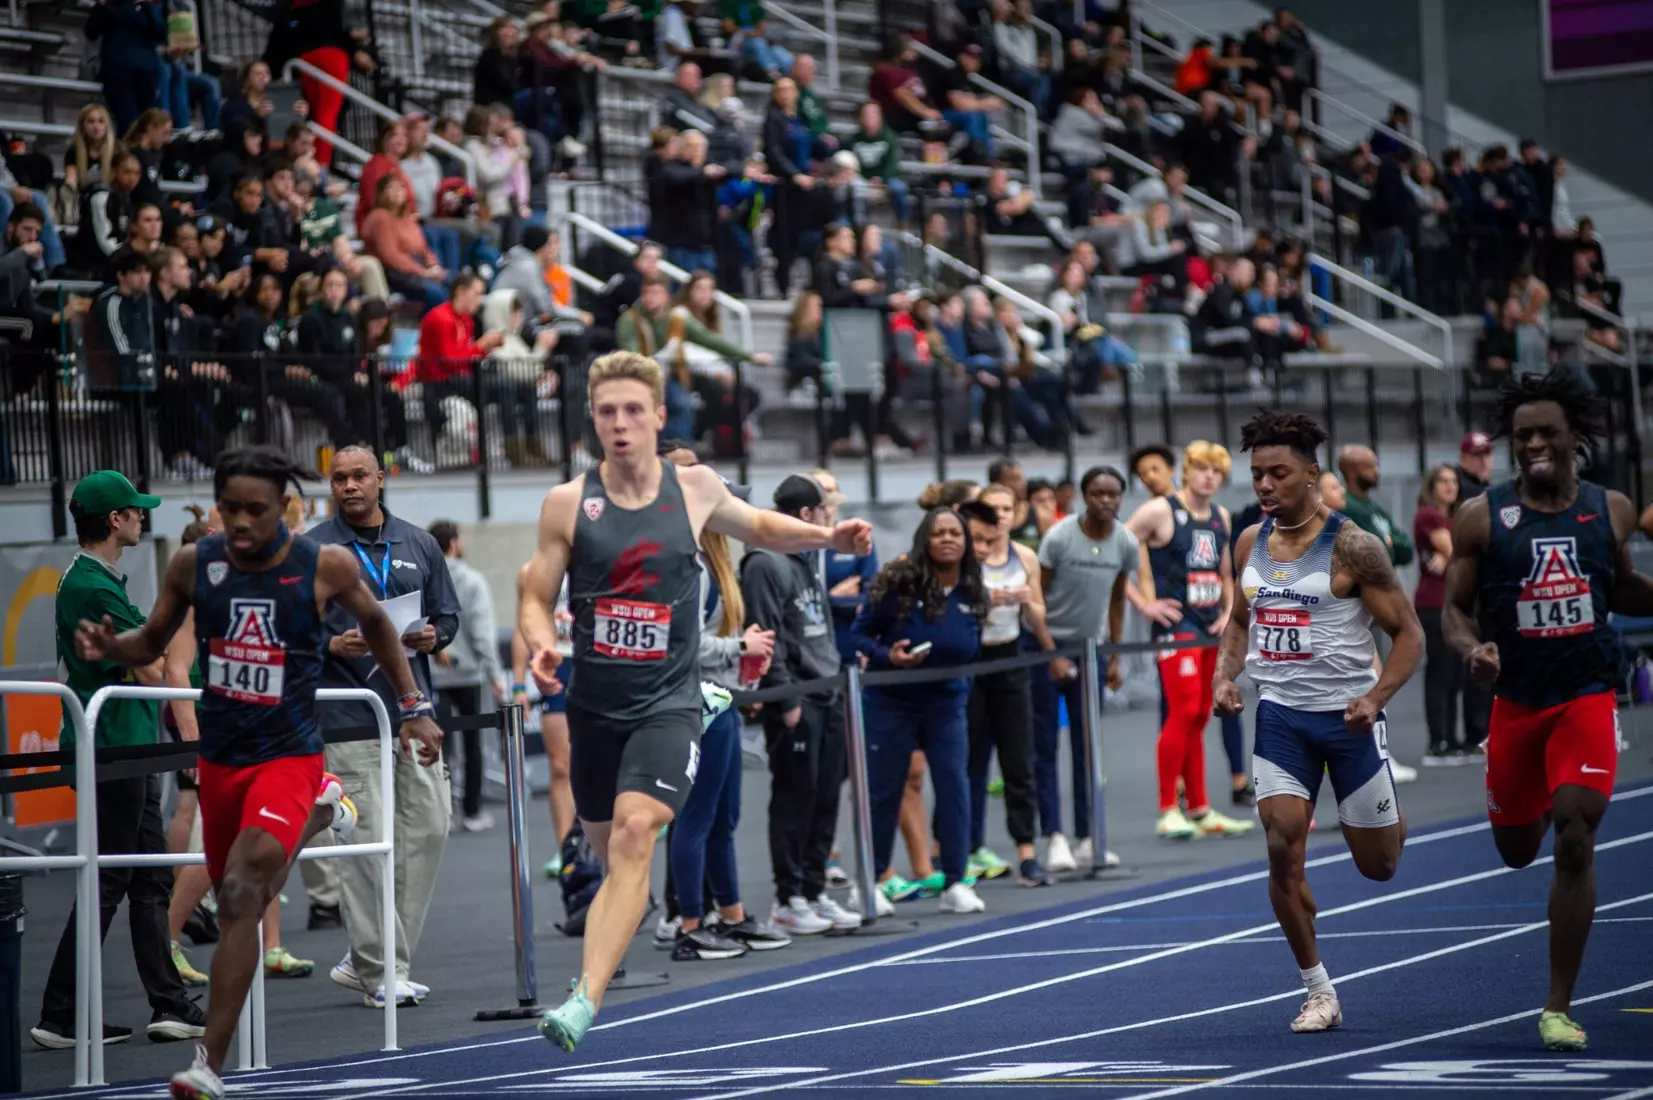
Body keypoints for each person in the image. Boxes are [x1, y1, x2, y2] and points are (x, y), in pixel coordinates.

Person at [520, 351, 872, 1052]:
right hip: (594, 703)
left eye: (631, 410)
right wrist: (540, 645)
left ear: (656, 417)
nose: (619, 423)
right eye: (606, 411)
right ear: (593, 418)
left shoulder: (695, 487)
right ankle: (616, 923)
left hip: (669, 701)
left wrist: (824, 536)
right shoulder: (566, 502)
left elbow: (761, 527)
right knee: (606, 843)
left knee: (635, 829)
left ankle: (585, 997)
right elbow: (534, 592)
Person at [70, 447, 441, 1100]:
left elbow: (381, 626)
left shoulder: (322, 564)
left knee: (240, 891)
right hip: (224, 760)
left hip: (289, 754)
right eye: (230, 509)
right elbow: (153, 641)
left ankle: (205, 1064)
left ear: (284, 509)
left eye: (257, 511)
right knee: (242, 894)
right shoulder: (195, 563)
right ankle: (321, 816)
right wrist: (110, 647)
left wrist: (413, 707)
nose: (241, 523)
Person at [1441, 371, 1653, 1052]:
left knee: (1573, 836)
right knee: (1515, 850)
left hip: (1585, 695)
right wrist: (1473, 651)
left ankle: (1557, 1005)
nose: (1532, 442)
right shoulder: (1479, 516)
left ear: (1573, 438)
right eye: (1521, 434)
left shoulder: (1609, 507)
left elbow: (1619, 588)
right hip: (1516, 702)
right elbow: (1452, 609)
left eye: (1545, 432)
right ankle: (1527, 798)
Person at [1214, 410, 1423, 1035]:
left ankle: (1381, 799)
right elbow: (1239, 621)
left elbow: (1408, 634)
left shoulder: (1354, 546)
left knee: (1379, 866)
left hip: (1349, 722)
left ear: (1312, 474)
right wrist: (1227, 677)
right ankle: (1318, 991)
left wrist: (1376, 697)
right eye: (1256, 474)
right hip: (1281, 719)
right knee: (1281, 847)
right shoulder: (1248, 542)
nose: (1265, 485)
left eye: (1278, 473)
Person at [32, 472, 205, 1051]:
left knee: (148, 875)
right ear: (114, 520)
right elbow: (153, 666)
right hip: (112, 748)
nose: (141, 516)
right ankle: (60, 1013)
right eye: (134, 510)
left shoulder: (92, 579)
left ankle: (168, 1004)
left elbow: (145, 662)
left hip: (123, 745)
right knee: (112, 879)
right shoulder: (92, 586)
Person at [308, 447, 463, 1008]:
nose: (347, 486)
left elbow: (447, 616)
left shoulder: (418, 543)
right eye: (337, 479)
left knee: (430, 827)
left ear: (381, 479)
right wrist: (331, 643)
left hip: (412, 710)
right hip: (347, 716)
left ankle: (371, 956)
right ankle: (379, 970)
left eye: (357, 477)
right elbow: (287, 631)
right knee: (367, 839)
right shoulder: (313, 547)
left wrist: (434, 637)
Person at [665, 446, 791, 959]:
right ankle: (689, 924)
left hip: (719, 702)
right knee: (696, 816)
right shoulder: (686, 566)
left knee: (723, 816)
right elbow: (684, 644)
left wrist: (745, 661)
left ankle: (731, 914)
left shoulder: (714, 562)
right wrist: (742, 647)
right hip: (692, 703)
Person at [850, 506, 988, 915]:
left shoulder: (972, 589)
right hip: (892, 700)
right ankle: (869, 881)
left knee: (954, 787)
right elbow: (859, 634)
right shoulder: (900, 581)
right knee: (885, 790)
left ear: (966, 543)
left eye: (955, 534)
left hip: (947, 701)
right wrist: (886, 656)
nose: (947, 539)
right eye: (939, 533)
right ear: (925, 539)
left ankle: (956, 881)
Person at [740, 474, 859, 935]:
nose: (831, 520)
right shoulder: (764, 563)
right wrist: (785, 696)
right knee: (795, 798)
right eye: (825, 512)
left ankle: (813, 890)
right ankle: (788, 897)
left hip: (827, 690)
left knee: (826, 795)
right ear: (807, 515)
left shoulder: (805, 558)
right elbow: (767, 632)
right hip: (796, 698)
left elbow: (815, 625)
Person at [1036, 467, 1168, 871]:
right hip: (1044, 649)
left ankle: (1087, 837)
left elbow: (1116, 599)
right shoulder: (1059, 537)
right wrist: (1050, 653)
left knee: (1087, 746)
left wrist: (1113, 656)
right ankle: (1054, 837)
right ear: (1083, 495)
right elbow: (1038, 599)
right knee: (1044, 746)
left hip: (1089, 649)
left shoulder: (1125, 541)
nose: (1105, 501)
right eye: (1097, 494)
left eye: (1113, 494)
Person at [1127, 442, 1254, 840]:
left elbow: (1226, 571)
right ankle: (1168, 808)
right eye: (1201, 468)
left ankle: (1199, 808)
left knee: (1201, 713)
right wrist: (1145, 604)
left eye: (1216, 471)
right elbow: (1115, 550)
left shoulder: (1220, 516)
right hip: (1175, 627)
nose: (1209, 477)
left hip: (1208, 626)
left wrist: (1229, 609)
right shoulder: (1160, 510)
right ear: (1185, 470)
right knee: (1181, 712)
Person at [959, 487, 1057, 885]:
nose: (999, 517)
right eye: (992, 509)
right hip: (972, 659)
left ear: (1016, 514)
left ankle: (1027, 853)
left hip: (1011, 657)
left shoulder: (1024, 556)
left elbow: (1038, 612)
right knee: (970, 761)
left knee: (1019, 758)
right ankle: (964, 849)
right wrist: (986, 598)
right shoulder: (967, 558)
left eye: (1005, 510)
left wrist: (1023, 601)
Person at [429, 520, 507, 832]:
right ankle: (472, 812)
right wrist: (495, 674)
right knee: (472, 744)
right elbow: (482, 634)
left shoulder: (425, 579)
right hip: (469, 674)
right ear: (455, 543)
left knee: (438, 746)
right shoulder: (473, 581)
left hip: (434, 674)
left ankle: (441, 813)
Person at [1413, 465, 1464, 766]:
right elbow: (1460, 549)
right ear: (1432, 486)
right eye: (1443, 481)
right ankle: (1438, 742)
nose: (1450, 486)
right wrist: (1451, 552)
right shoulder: (1428, 515)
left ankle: (1452, 737)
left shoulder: (1453, 518)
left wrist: (1450, 555)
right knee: (1440, 672)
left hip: (1454, 603)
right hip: (1433, 604)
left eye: (1453, 481)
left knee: (1456, 673)